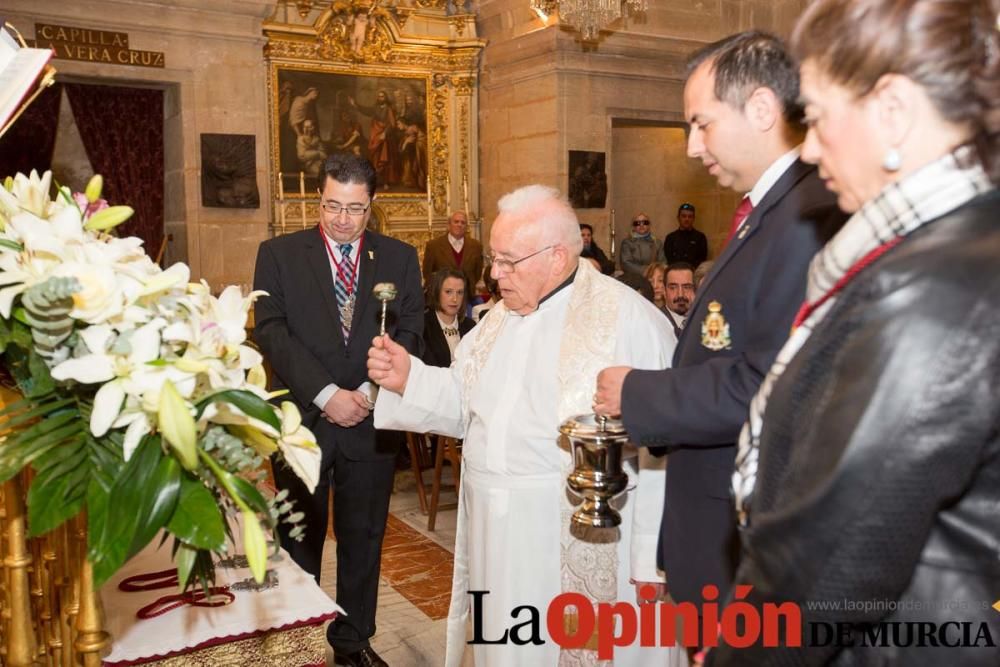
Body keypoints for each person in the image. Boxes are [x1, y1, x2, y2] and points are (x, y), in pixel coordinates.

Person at [713, 1, 1000, 664]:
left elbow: (823, 560)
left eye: (814, 116)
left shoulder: (933, 288)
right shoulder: (947, 244)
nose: (808, 148)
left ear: (893, 111)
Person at [368, 185, 683, 667]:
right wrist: (409, 376)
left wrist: (650, 555)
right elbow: (467, 402)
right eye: (494, 259)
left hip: (572, 535)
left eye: (507, 261)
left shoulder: (629, 320)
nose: (494, 275)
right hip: (495, 537)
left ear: (556, 257)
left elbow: (663, 447)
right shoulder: (497, 320)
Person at [593, 31, 846, 611]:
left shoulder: (807, 217)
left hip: (751, 547)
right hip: (717, 533)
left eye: (701, 123)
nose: (690, 146)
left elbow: (774, 386)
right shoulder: (769, 211)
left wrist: (640, 393)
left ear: (760, 108)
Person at [253, 153, 424, 667]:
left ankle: (352, 643)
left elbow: (411, 328)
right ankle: (297, 642)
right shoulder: (279, 254)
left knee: (364, 538)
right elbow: (271, 330)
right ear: (318, 199)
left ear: (372, 205)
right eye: (332, 206)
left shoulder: (398, 257)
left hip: (371, 424)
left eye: (355, 209)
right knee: (298, 537)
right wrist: (327, 394)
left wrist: (371, 394)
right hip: (302, 422)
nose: (342, 219)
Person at [422, 210, 484, 296]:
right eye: (456, 222)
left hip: (467, 296)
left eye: (463, 223)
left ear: (466, 227)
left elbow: (477, 273)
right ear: (448, 225)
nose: (459, 225)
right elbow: (427, 273)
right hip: (441, 296)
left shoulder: (476, 246)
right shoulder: (433, 246)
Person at [422, 268, 474, 368]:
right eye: (448, 292)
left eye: (459, 292)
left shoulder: (470, 326)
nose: (455, 299)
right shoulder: (423, 326)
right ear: (437, 293)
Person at [663, 262, 695, 338]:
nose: (680, 294)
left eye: (686, 287)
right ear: (664, 291)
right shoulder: (655, 322)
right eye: (673, 288)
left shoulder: (705, 320)